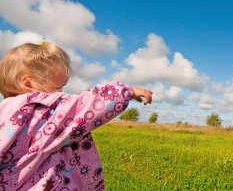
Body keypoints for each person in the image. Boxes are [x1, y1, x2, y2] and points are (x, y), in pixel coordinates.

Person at [0, 42, 153, 190]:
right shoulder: (42, 110)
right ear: (28, 83)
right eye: (57, 88)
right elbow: (86, 106)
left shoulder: (7, 111)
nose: (62, 94)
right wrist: (126, 92)